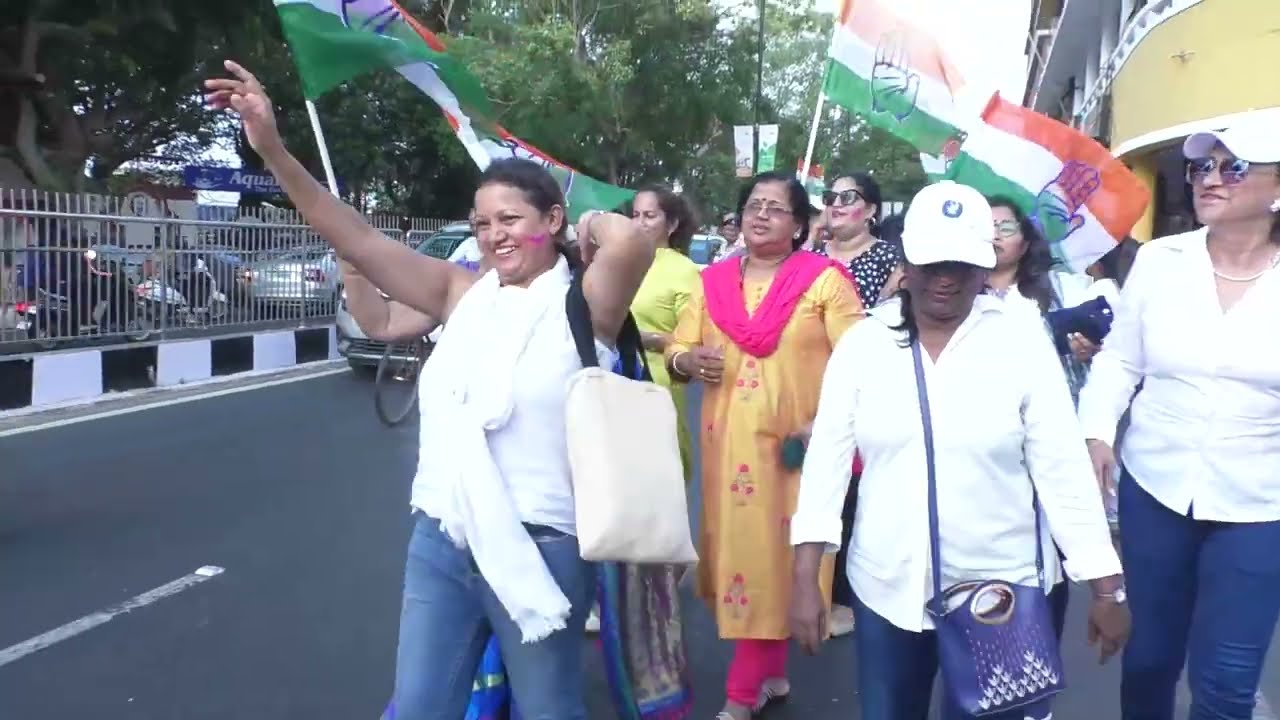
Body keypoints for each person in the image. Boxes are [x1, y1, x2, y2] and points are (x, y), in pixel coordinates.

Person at [206, 60, 654, 720]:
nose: (495, 235)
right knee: (420, 706)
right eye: (482, 223)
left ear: (552, 218)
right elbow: (354, 237)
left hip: (542, 546)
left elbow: (633, 238)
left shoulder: (587, 304)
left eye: (511, 219)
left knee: (547, 709)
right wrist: (271, 146)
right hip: (443, 536)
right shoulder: (459, 291)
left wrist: (589, 223)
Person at [790, 181, 1129, 720]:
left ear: (984, 265)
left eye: (961, 264)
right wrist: (806, 578)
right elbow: (827, 464)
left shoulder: (1021, 343)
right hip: (887, 587)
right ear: (906, 263)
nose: (944, 278)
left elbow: (1062, 470)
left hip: (1001, 590)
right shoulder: (864, 346)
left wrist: (1106, 589)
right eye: (931, 263)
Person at [1079, 112, 1280, 719]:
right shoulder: (1162, 260)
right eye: (1201, 167)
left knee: (1227, 683)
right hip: (1155, 489)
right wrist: (1096, 432)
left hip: (1259, 507)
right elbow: (1120, 360)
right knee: (1148, 661)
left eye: (1232, 167)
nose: (1209, 179)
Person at [664, 171, 864, 720]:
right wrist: (686, 360)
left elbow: (861, 362)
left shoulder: (825, 282)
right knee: (744, 562)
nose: (761, 215)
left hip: (796, 453)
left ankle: (740, 695)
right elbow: (678, 347)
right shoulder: (712, 282)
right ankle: (772, 676)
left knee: (777, 562)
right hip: (728, 451)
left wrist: (826, 424)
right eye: (754, 205)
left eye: (776, 208)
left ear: (798, 225)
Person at [819, 173, 903, 307]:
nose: (836, 204)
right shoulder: (812, 253)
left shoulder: (890, 259)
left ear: (870, 210)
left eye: (847, 197)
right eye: (830, 198)